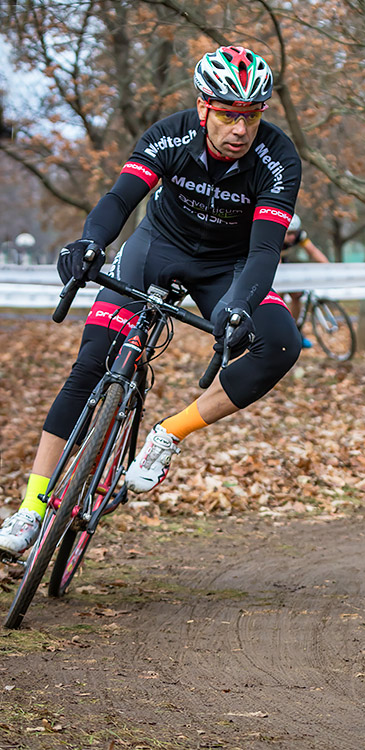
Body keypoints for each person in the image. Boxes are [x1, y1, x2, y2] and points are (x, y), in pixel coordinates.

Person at [0, 45, 302, 556]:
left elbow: (266, 248)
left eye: (251, 116)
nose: (240, 130)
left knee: (279, 344)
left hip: (227, 266)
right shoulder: (170, 135)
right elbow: (120, 199)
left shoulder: (278, 159)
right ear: (204, 108)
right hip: (156, 248)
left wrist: (241, 304)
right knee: (92, 364)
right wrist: (90, 241)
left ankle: (166, 435)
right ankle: (31, 507)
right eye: (229, 115)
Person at [280, 213, 329, 347]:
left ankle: (295, 331)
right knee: (279, 297)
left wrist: (328, 267)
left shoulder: (300, 236)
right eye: (289, 233)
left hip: (285, 264)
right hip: (271, 262)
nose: (292, 237)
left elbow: (313, 252)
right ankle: (277, 331)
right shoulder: (274, 236)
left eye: (294, 233)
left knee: (296, 295)